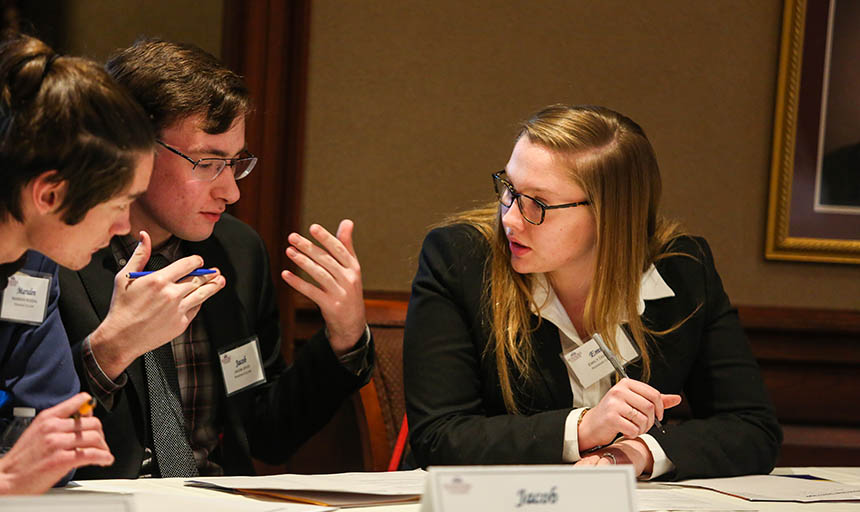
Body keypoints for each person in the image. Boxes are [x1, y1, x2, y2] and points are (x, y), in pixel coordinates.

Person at [404, 105, 781, 481]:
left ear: (610, 213)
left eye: (538, 203)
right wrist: (582, 428)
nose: (510, 218)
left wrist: (637, 453)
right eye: (510, 189)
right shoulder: (461, 260)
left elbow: (752, 429)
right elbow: (439, 437)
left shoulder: (683, 270)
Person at [58, 38, 373, 479]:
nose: (232, 191)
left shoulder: (237, 251)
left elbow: (268, 434)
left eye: (236, 162)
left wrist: (345, 335)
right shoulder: (55, 252)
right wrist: (109, 352)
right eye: (207, 163)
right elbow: (19, 429)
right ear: (130, 146)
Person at [0, 33, 156, 493]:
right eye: (119, 204)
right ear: (49, 194)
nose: (125, 227)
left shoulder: (35, 268)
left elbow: (59, 445)